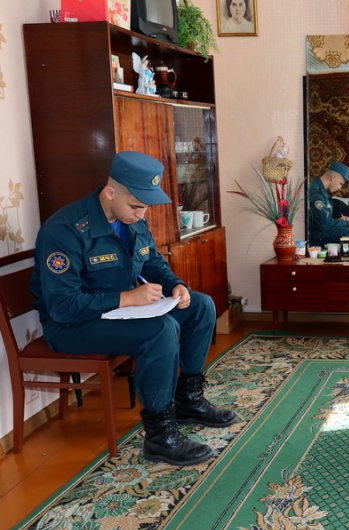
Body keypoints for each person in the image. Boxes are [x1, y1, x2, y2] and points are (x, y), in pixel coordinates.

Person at [30, 151, 237, 466]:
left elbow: (151, 262)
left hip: (122, 315)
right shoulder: (65, 229)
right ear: (110, 192)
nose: (142, 215)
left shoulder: (133, 220)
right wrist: (127, 298)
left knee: (201, 305)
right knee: (161, 330)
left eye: (147, 207)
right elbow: (62, 306)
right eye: (137, 206)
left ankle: (189, 401)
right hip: (73, 327)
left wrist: (176, 286)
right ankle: (160, 435)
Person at [307, 161, 349, 249]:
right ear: (333, 177)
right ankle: (347, 261)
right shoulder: (316, 193)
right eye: (340, 184)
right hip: (315, 236)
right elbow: (323, 224)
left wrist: (339, 220)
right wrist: (346, 224)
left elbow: (323, 218)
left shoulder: (322, 191)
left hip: (321, 230)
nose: (340, 188)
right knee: (347, 232)